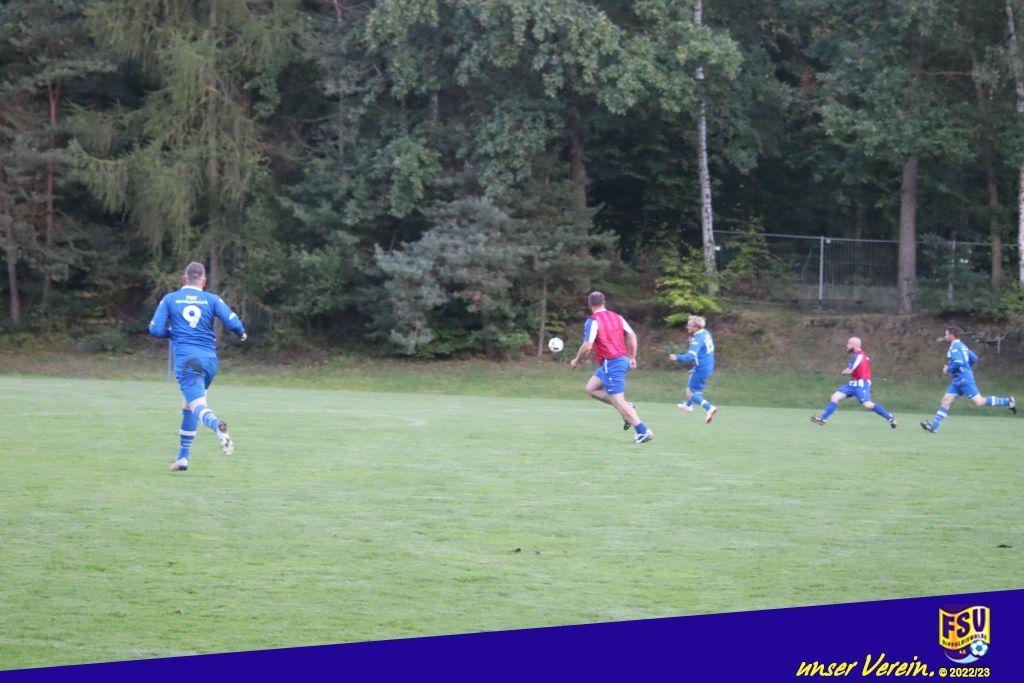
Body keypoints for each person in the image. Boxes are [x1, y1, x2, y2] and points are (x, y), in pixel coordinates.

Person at [149, 261, 247, 471]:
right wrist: (241, 333)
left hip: (188, 361)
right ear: (203, 281)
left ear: (184, 279)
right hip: (209, 361)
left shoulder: (170, 299)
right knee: (188, 405)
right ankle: (183, 458)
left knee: (197, 406)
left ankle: (217, 426)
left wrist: (172, 333)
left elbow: (155, 330)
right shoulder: (212, 299)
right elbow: (233, 322)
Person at [569, 291, 654, 444]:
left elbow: (587, 346)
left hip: (612, 362)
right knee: (591, 389)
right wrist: (632, 357)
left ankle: (643, 431)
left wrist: (577, 361)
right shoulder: (617, 317)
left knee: (618, 401)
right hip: (618, 360)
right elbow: (632, 336)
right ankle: (628, 407)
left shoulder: (593, 321)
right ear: (604, 302)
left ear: (589, 304)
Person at [921, 326, 1016, 433]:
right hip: (958, 380)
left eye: (946, 334)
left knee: (979, 402)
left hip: (964, 380)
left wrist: (948, 370)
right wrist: (966, 369)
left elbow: (958, 362)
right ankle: (933, 427)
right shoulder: (962, 346)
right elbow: (974, 358)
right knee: (946, 400)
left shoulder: (954, 347)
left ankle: (1007, 401)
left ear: (952, 335)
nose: (945, 336)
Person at [810, 337, 896, 428]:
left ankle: (890, 418)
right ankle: (823, 419)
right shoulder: (859, 356)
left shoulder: (859, 356)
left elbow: (850, 370)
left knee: (868, 405)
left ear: (854, 345)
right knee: (835, 397)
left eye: (848, 344)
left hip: (861, 385)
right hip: (852, 384)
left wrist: (844, 371)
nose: (847, 346)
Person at [668, 315, 718, 424]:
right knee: (693, 384)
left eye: (689, 325)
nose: (687, 327)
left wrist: (677, 357)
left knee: (690, 393)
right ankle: (688, 405)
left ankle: (709, 408)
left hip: (702, 368)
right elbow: (703, 352)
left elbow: (690, 356)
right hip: (707, 365)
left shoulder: (697, 338)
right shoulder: (705, 333)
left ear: (695, 327)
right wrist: (695, 367)